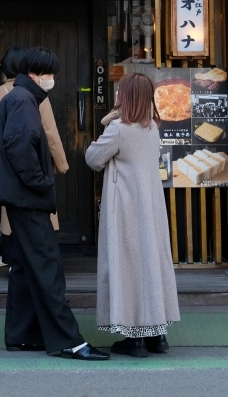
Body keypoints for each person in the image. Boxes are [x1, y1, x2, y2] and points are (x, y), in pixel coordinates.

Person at [0, 47, 109, 361]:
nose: (52, 79)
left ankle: (22, 335)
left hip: (20, 198)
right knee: (47, 266)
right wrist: (41, 182)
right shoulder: (24, 100)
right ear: (33, 74)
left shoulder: (17, 97)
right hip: (28, 199)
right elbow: (19, 146)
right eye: (48, 73)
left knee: (25, 268)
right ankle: (68, 341)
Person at [85, 73, 180, 357]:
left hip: (125, 208)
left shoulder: (119, 129)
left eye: (120, 92)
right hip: (151, 207)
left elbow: (93, 158)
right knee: (151, 263)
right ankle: (157, 335)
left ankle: (134, 336)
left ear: (125, 97)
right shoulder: (152, 128)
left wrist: (110, 120)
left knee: (127, 264)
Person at [0, 45, 68, 245]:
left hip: (9, 167)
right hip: (33, 165)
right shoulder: (33, 93)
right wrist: (61, 164)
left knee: (13, 223)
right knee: (39, 233)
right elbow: (49, 131)